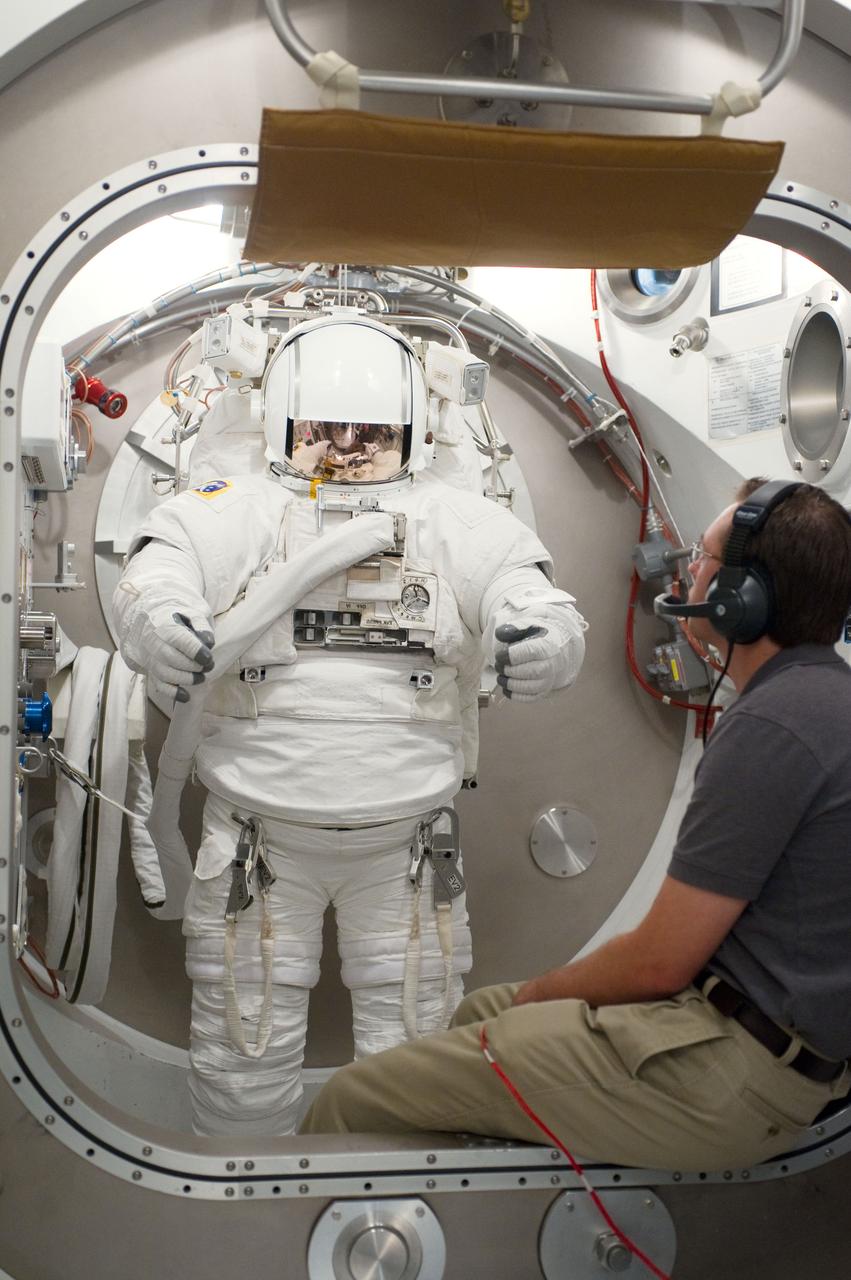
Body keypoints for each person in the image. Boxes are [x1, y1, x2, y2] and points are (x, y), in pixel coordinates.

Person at [112, 312, 586, 1136]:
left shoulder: (448, 515)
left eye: (369, 431)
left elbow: (527, 591)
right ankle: (243, 1217)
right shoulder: (239, 506)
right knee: (240, 1057)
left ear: (412, 428)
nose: (345, 448)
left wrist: (546, 644)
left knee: (410, 1069)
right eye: (323, 430)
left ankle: (393, 1215)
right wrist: (165, 622)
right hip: (260, 842)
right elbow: (159, 573)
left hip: (402, 850)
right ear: (280, 425)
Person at [301, 478, 851, 1172]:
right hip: (758, 1033)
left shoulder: (772, 727)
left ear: (743, 596)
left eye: (706, 560)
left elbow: (658, 961)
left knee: (352, 1100)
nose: (689, 574)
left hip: (728, 1071)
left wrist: (538, 997)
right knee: (479, 1013)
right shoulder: (823, 699)